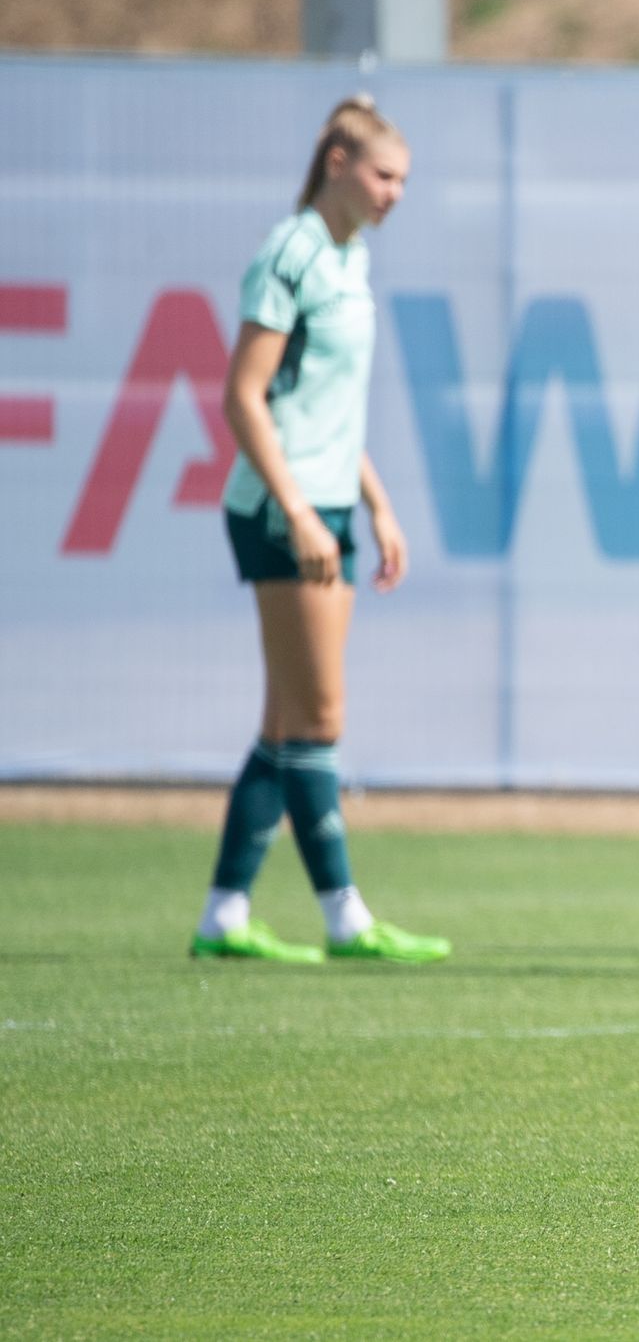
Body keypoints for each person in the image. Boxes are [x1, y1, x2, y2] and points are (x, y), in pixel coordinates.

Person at [193, 96, 450, 966]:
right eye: (384, 174)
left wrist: (376, 502)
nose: (395, 193)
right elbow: (243, 396)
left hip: (331, 503)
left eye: (405, 180)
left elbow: (329, 409)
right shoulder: (292, 251)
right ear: (336, 160)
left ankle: (224, 914)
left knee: (285, 720)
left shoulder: (352, 258)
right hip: (281, 510)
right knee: (321, 715)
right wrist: (301, 510)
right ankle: (346, 915)